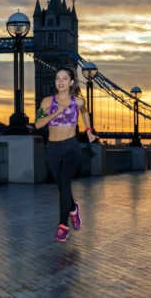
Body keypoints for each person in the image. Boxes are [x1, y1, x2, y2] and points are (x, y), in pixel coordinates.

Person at [34, 66, 97, 242]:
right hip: (53, 148)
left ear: (71, 82)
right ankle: (73, 209)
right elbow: (38, 124)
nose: (60, 82)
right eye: (57, 78)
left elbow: (85, 113)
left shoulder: (78, 102)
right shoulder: (47, 102)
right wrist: (55, 113)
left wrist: (89, 130)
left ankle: (63, 226)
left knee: (65, 182)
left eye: (64, 78)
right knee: (61, 186)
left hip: (71, 147)